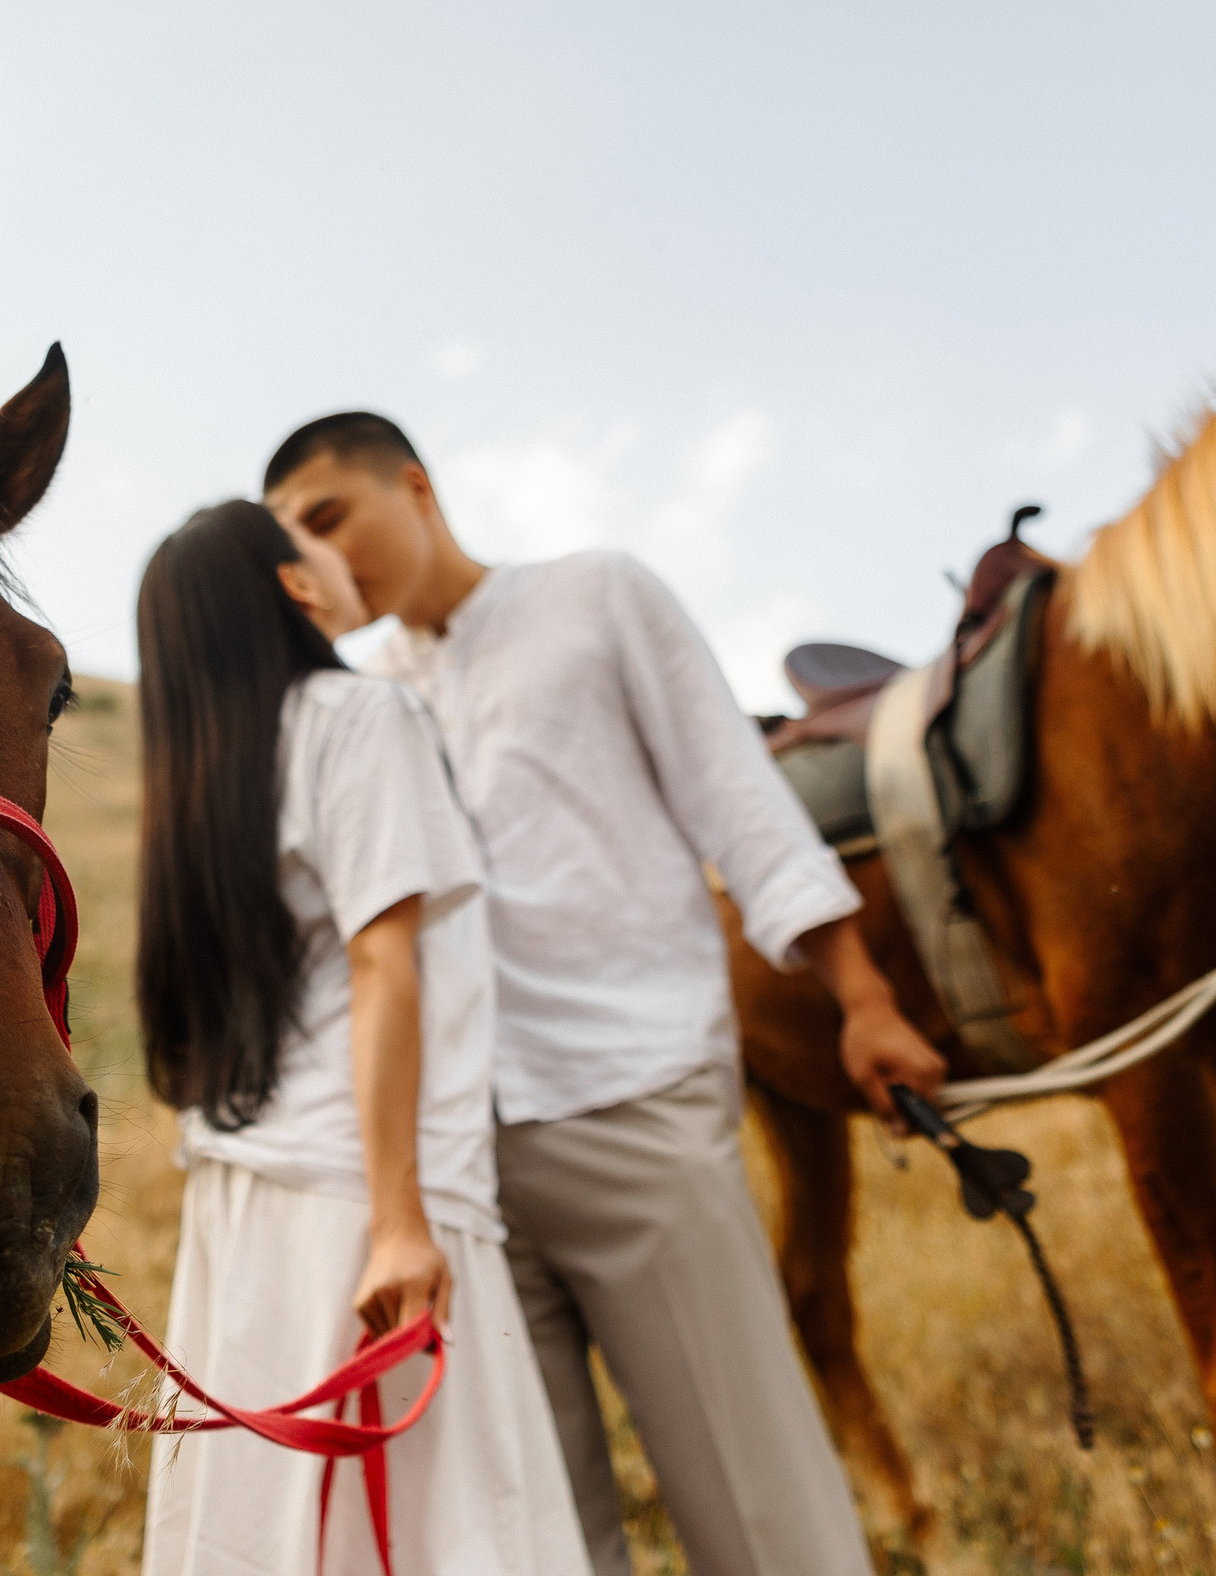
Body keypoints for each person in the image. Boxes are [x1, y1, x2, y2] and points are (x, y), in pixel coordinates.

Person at [265, 414, 950, 1576]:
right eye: (289, 544)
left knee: (761, 1503)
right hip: (458, 1163)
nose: (320, 558)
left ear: (416, 487)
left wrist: (863, 999)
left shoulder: (596, 597)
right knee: (538, 1530)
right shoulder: (357, 698)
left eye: (331, 517)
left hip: (634, 1103)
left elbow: (743, 805)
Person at [133, 500, 592, 1576]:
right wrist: (400, 1218)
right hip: (366, 1189)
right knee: (452, 1525)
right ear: (296, 587)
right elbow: (389, 967)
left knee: (269, 1521)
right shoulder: (356, 716)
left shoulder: (201, 786)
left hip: (247, 1192)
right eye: (311, 541)